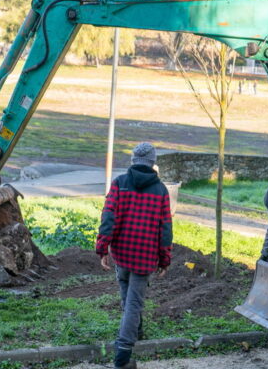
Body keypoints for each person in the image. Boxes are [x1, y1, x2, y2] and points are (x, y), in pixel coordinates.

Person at [96, 142, 172, 369]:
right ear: (152, 163)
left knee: (127, 297)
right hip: (145, 256)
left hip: (122, 252)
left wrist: (102, 248)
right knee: (134, 303)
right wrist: (164, 258)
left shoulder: (119, 184)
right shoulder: (161, 191)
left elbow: (108, 218)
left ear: (133, 161)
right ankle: (123, 354)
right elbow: (165, 229)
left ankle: (135, 331)